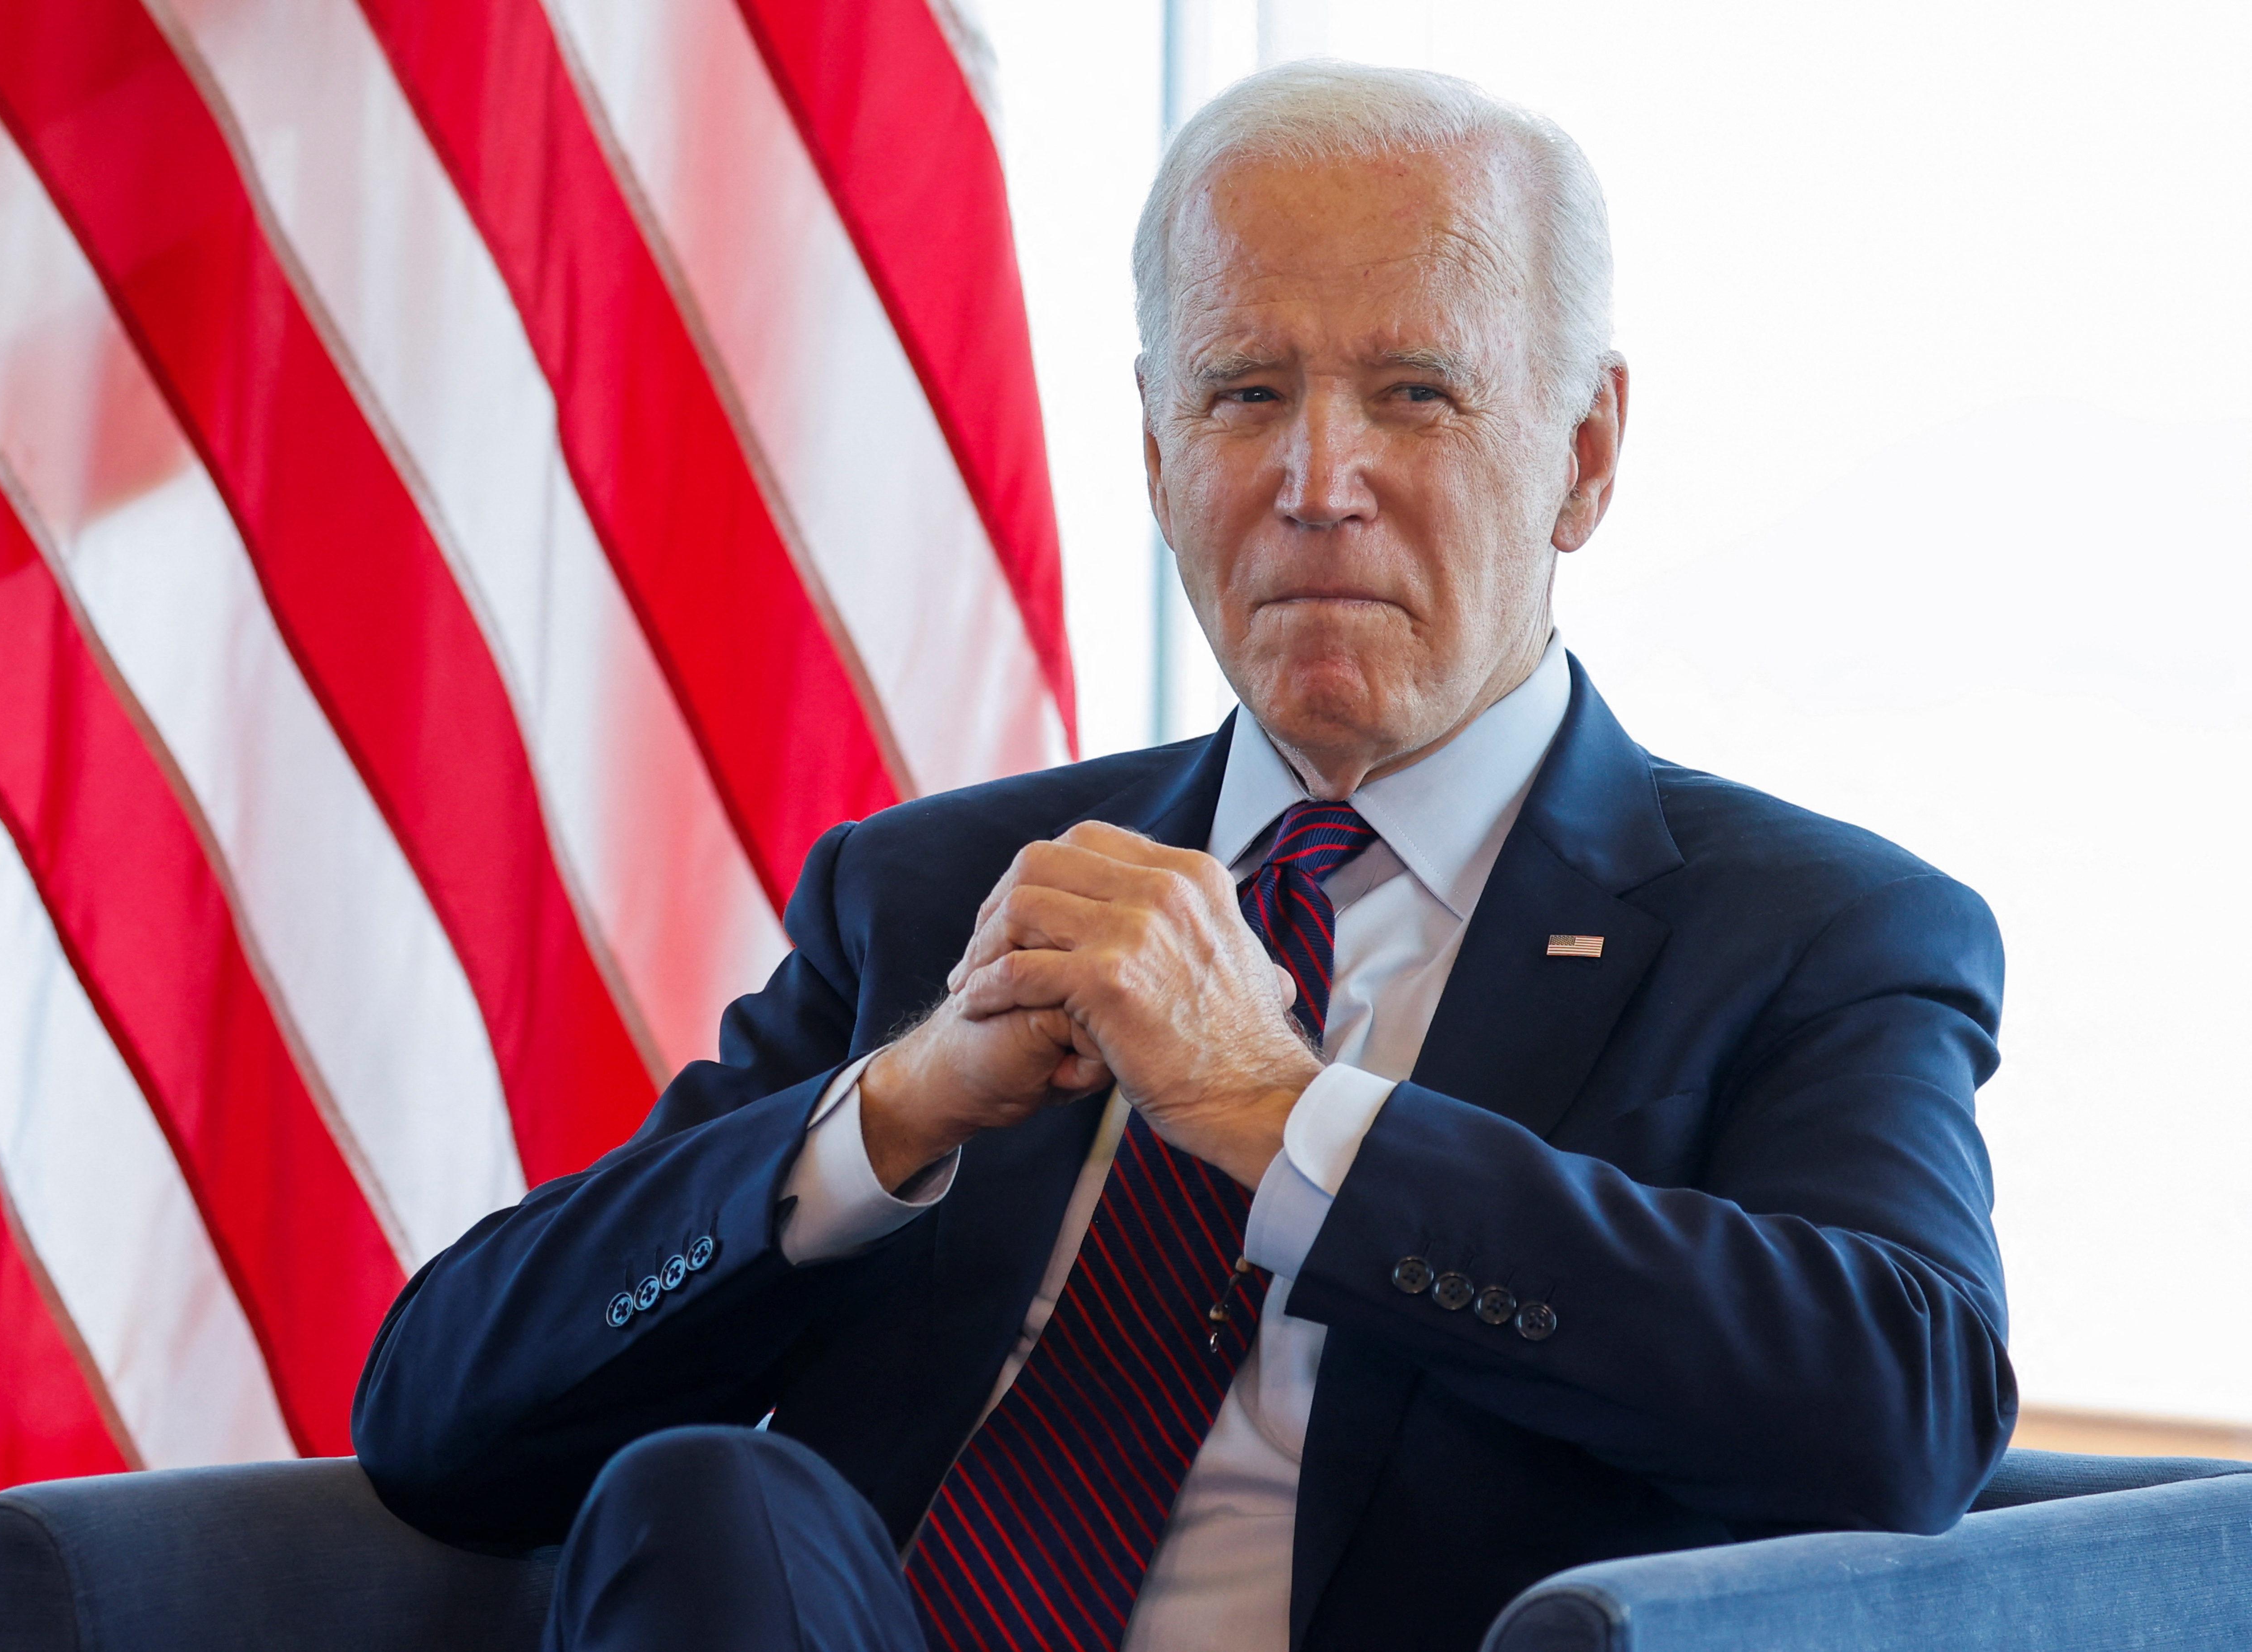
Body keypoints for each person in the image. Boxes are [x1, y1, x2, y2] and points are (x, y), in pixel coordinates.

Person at [351, 60, 2013, 1652]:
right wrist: (894, 1108)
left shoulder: (1810, 931)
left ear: (1582, 454)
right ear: (1156, 453)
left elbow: (1902, 1413)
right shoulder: (937, 890)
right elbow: (436, 1419)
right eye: (1244, 394)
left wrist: (1281, 1117)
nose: (1315, 484)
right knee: (704, 1490)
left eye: (1414, 393)